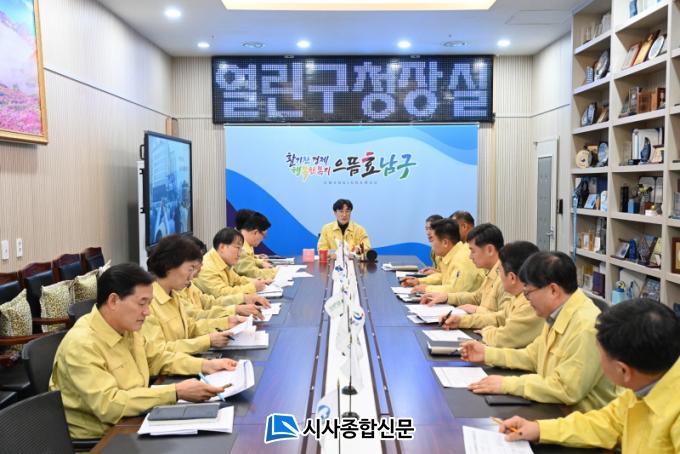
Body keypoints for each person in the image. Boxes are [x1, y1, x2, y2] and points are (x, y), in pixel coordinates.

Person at [49, 263, 238, 439]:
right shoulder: (81, 345)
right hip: (104, 440)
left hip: (135, 420)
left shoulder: (127, 328)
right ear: (114, 301)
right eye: (142, 303)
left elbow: (157, 358)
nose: (147, 312)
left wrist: (206, 365)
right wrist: (175, 392)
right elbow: (110, 405)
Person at [499, 299, 680, 453]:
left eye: (600, 355)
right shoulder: (646, 383)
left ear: (623, 370)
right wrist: (539, 429)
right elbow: (606, 423)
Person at [461, 251, 618, 412]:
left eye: (528, 293)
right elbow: (533, 356)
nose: (527, 299)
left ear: (553, 290)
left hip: (576, 418)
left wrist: (508, 384)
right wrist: (487, 354)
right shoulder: (557, 313)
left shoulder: (586, 327)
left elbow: (566, 389)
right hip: (553, 407)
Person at [142, 235, 248, 354]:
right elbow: (159, 352)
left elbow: (190, 327)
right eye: (190, 269)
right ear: (169, 266)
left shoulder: (173, 295)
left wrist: (227, 322)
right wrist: (206, 342)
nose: (192, 276)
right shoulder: (147, 303)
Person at [440, 241, 545, 348]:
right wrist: (461, 321)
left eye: (499, 270)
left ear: (512, 277)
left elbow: (504, 338)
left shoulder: (530, 303)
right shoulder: (518, 297)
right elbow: (498, 318)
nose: (498, 275)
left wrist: (487, 331)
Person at [421, 223, 510, 314]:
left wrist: (476, 310)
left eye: (473, 251)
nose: (470, 257)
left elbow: (505, 317)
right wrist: (447, 297)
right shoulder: (492, 271)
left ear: (489, 250)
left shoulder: (506, 276)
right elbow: (477, 297)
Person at [179, 235, 266, 321]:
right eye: (191, 269)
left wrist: (242, 300)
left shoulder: (188, 283)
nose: (195, 276)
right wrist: (251, 288)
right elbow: (197, 315)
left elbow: (209, 303)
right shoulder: (206, 268)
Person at [402, 219, 483, 294]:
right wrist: (419, 281)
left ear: (445, 243)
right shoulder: (452, 254)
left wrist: (426, 289)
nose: (431, 245)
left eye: (432, 240)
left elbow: (455, 290)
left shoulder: (462, 258)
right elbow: (444, 278)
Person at [194, 228, 269, 298]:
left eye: (241, 249)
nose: (239, 254)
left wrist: (256, 281)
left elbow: (237, 280)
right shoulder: (206, 267)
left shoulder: (222, 260)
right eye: (237, 248)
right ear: (222, 247)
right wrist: (252, 287)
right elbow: (221, 293)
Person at [234, 210, 278, 279]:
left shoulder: (243, 242)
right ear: (255, 233)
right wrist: (277, 271)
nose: (263, 239)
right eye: (264, 236)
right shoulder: (241, 249)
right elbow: (253, 274)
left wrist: (260, 262)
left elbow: (248, 260)